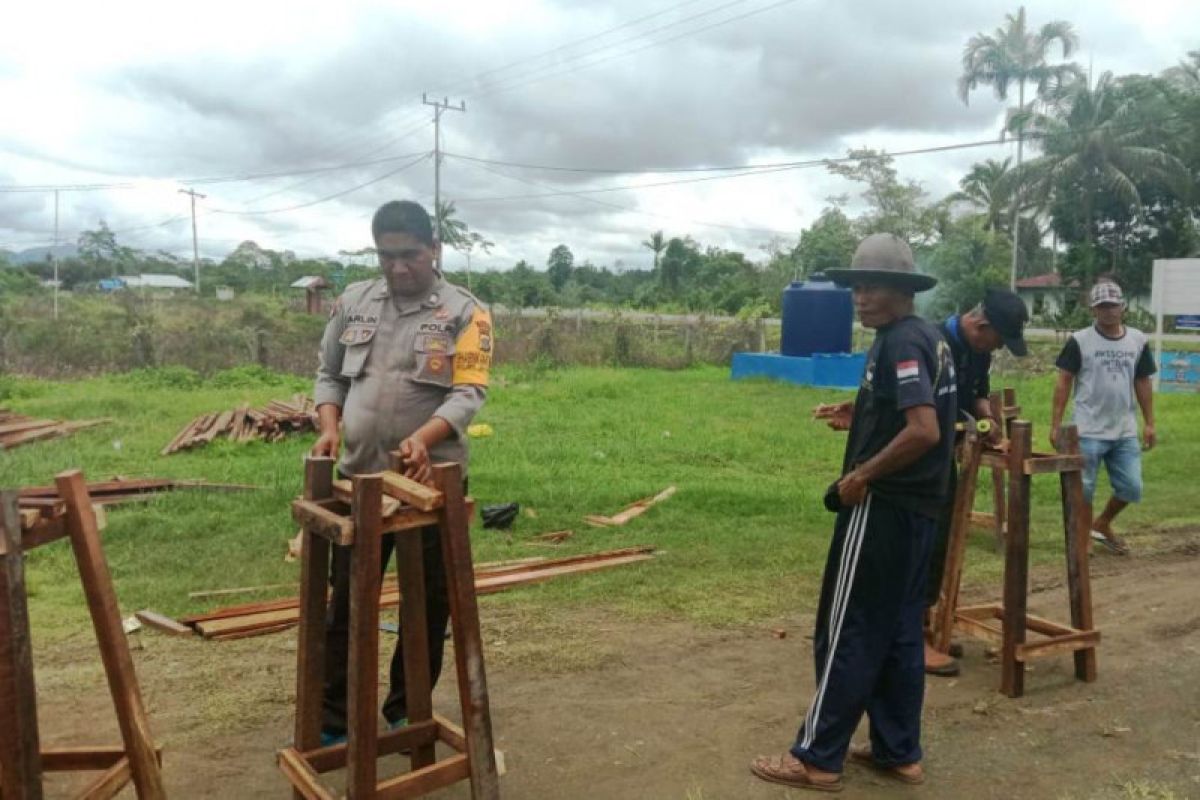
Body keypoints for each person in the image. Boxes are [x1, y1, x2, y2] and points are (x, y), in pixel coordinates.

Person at [751, 233, 956, 792]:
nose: (860, 298)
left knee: (847, 628)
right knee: (898, 631)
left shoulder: (900, 343)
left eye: (873, 287)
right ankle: (898, 751)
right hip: (920, 512)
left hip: (883, 510)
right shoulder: (927, 337)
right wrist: (860, 409)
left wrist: (860, 476)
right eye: (856, 287)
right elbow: (916, 409)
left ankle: (818, 756)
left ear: (902, 290)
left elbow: (924, 429)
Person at [311, 199, 493, 745]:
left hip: (431, 485)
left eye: (409, 255)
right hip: (359, 478)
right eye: (386, 256)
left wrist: (423, 438)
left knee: (425, 605)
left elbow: (469, 393)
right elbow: (328, 374)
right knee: (346, 604)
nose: (397, 268)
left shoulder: (465, 313)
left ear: (434, 250)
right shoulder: (354, 302)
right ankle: (335, 719)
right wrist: (328, 424)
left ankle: (405, 708)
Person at [924, 288, 1028, 677]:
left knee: (941, 540)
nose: (996, 349)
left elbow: (978, 394)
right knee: (922, 541)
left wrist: (988, 419)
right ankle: (910, 639)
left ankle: (924, 624)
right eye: (997, 340)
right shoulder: (932, 343)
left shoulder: (978, 350)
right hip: (915, 459)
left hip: (942, 458)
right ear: (980, 324)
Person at [1050, 279, 1155, 555]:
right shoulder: (1080, 341)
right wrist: (1056, 425)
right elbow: (1063, 382)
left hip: (1124, 429)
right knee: (1083, 490)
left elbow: (1142, 381)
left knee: (1131, 486)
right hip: (1087, 429)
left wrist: (1150, 423)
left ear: (1123, 306)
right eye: (1102, 307)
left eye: (1112, 305)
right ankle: (1083, 538)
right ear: (1093, 310)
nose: (1108, 311)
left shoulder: (1137, 340)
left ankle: (1103, 523)